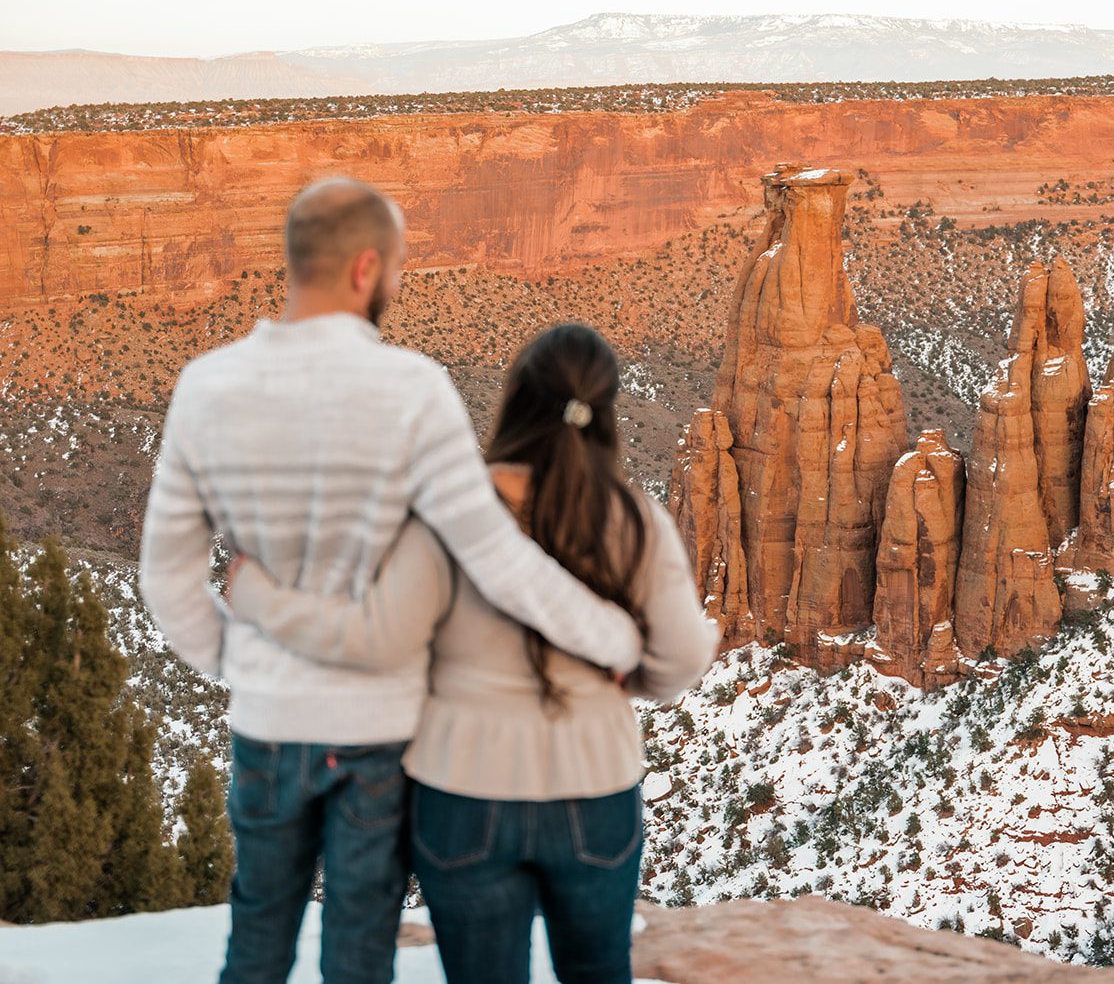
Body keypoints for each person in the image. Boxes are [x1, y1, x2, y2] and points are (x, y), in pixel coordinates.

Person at [139, 180, 643, 984]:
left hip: (268, 722)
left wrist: (245, 664)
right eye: (399, 269)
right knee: (360, 946)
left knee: (257, 942)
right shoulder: (413, 390)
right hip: (376, 731)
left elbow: (165, 575)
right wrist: (612, 635)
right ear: (366, 268)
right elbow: (494, 556)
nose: (400, 286)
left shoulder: (207, 385)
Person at [230, 322, 719, 984]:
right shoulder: (631, 518)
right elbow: (683, 655)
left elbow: (375, 639)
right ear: (604, 413)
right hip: (594, 787)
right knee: (599, 972)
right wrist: (632, 666)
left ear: (516, 400)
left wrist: (254, 593)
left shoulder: (447, 511)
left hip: (462, 792)